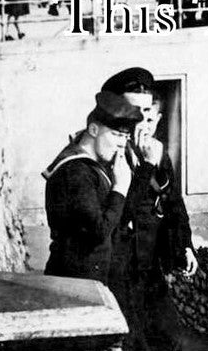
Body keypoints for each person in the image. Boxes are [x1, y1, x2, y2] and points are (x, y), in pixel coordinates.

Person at [102, 67, 196, 351]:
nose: (141, 124)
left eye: (147, 114)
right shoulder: (108, 154)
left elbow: (174, 208)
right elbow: (122, 218)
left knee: (169, 350)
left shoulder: (159, 154)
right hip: (118, 280)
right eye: (132, 114)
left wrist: (184, 245)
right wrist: (144, 169)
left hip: (150, 278)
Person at [43, 92, 140, 282]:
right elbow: (98, 232)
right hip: (74, 279)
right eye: (116, 135)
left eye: (125, 137)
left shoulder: (94, 166)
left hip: (90, 275)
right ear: (94, 130)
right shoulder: (75, 172)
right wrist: (119, 188)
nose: (122, 145)